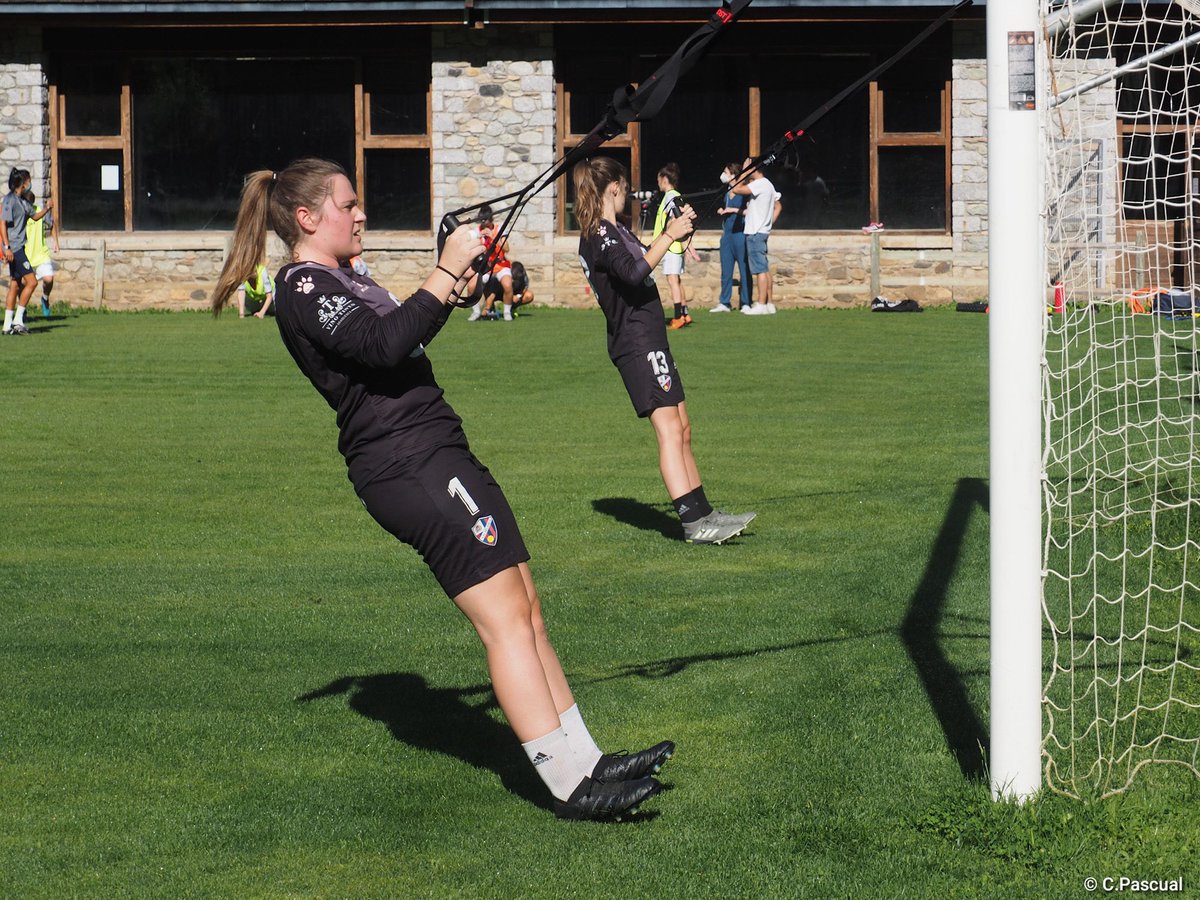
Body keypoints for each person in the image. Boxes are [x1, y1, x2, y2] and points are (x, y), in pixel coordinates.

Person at [211, 158, 672, 821]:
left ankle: (587, 760)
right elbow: (380, 345)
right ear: (308, 219)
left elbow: (407, 336)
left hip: (438, 450)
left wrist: (449, 288)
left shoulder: (344, 276)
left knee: (527, 606)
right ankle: (568, 787)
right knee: (505, 623)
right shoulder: (304, 287)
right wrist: (449, 267)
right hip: (407, 466)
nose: (361, 214)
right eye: (348, 205)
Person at [573, 156, 756, 545]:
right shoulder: (599, 234)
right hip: (635, 343)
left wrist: (679, 232)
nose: (628, 196)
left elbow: (647, 255)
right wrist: (669, 234)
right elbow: (636, 271)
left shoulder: (615, 230)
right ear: (614, 187)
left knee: (683, 428)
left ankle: (704, 511)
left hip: (651, 339)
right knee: (669, 431)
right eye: (625, 189)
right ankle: (693, 522)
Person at [651, 163, 701, 330]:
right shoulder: (673, 196)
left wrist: (688, 245)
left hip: (671, 246)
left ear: (665, 179)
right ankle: (685, 313)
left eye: (659, 179)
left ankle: (678, 316)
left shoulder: (670, 197)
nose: (658, 183)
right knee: (677, 280)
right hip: (675, 246)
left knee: (672, 280)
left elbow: (680, 221)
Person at [731, 159, 782, 315]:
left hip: (755, 232)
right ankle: (769, 303)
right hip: (762, 231)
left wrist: (744, 171)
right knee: (764, 268)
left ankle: (760, 304)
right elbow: (778, 205)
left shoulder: (760, 184)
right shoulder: (769, 184)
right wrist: (769, 222)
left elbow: (736, 189)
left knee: (759, 269)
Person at [1, 168, 46, 335]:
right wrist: (7, 247)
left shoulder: (22, 201)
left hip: (20, 246)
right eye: (28, 180)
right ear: (22, 182)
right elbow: (2, 224)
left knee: (15, 284)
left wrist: (47, 209)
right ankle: (18, 320)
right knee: (32, 282)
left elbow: (34, 216)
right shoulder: (9, 200)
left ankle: (6, 325)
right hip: (15, 248)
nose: (30, 183)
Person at [713, 161, 752, 313]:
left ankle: (746, 302)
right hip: (727, 235)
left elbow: (748, 212)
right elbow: (725, 207)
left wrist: (733, 210)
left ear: (734, 175)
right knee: (726, 270)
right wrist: (722, 210)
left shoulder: (744, 193)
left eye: (726, 172)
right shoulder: (726, 191)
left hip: (740, 234)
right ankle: (724, 302)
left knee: (744, 270)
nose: (723, 175)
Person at [466, 205, 517, 322]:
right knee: (471, 286)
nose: (484, 223)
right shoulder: (477, 231)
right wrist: (478, 238)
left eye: (486, 220)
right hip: (485, 267)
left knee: (508, 285)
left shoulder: (499, 229)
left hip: (500, 264)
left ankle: (507, 312)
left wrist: (493, 237)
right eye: (482, 220)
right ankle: (476, 312)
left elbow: (506, 248)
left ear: (491, 219)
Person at [23, 188, 59, 318]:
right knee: (22, 284)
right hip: (25, 255)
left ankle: (45, 298)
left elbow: (52, 224)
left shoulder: (39, 211)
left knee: (49, 279)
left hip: (41, 254)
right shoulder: (19, 214)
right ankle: (23, 309)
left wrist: (55, 242)